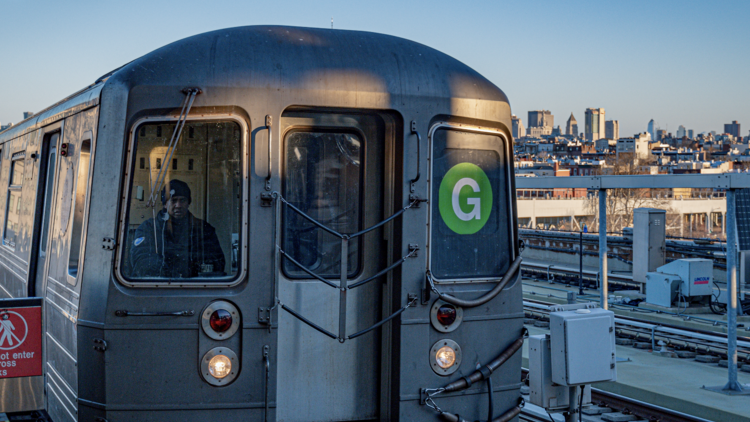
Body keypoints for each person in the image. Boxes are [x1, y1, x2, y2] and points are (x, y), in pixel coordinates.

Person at [130, 179, 225, 278]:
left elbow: (217, 261)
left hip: (195, 287)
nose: (178, 205)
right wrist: (168, 269)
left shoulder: (204, 229)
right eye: (173, 200)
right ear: (165, 204)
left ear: (188, 203)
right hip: (158, 287)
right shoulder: (148, 228)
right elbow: (140, 260)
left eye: (182, 200)